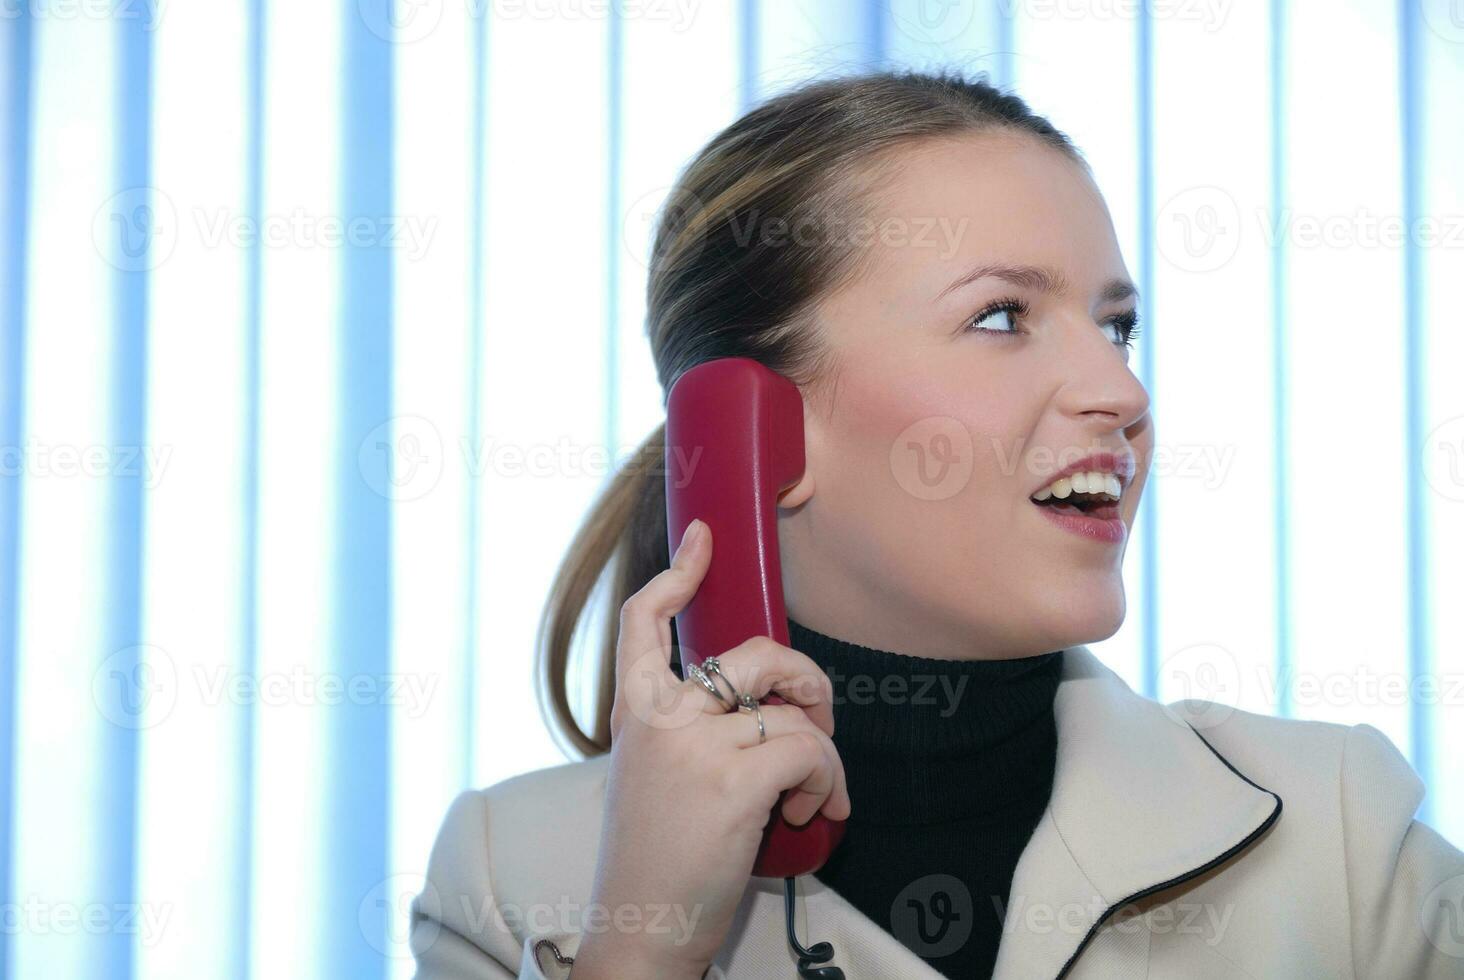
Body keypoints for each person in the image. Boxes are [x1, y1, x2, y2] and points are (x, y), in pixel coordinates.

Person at [409, 68, 1464, 979]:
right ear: (755, 432)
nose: (1118, 389)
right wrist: (644, 949)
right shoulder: (514, 878)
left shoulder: (1342, 835)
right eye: (1001, 316)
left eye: (1117, 325)